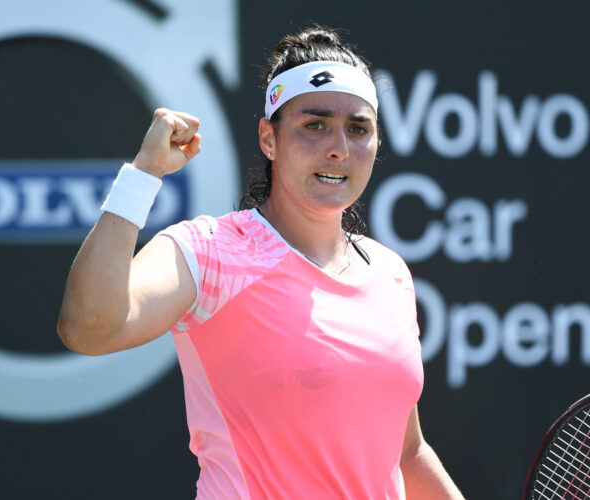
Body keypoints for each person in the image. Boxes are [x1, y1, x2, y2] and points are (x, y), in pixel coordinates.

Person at [58, 26, 464, 500]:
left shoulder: (390, 273)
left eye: (358, 129)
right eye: (315, 125)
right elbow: (89, 327)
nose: (339, 147)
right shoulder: (210, 251)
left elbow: (405, 452)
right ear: (269, 139)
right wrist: (144, 174)